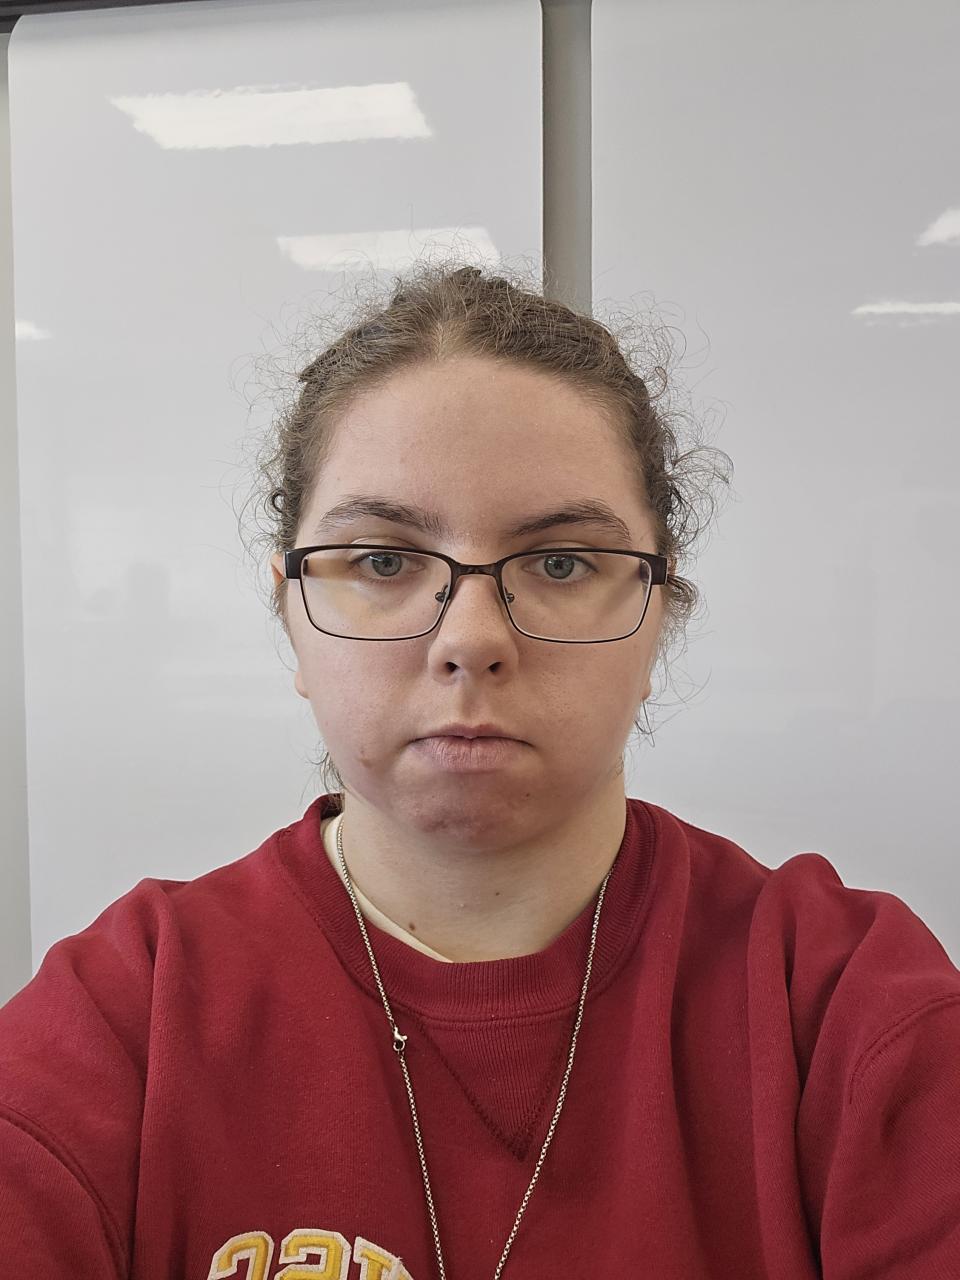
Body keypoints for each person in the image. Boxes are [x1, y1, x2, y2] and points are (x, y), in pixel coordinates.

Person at [1, 262, 958, 1279]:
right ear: (291, 612)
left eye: (560, 563)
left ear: (660, 616)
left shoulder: (848, 1010)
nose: (471, 640)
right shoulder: (122, 1020)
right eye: (382, 559)